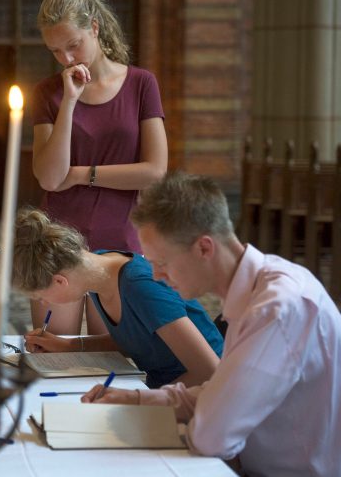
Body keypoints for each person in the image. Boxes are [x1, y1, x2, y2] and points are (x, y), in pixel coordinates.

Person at [81, 172, 341, 477]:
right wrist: (135, 399)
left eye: (161, 262)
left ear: (204, 248)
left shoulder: (277, 308)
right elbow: (220, 394)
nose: (155, 276)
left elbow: (211, 437)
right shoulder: (254, 289)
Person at [30, 0, 167, 336]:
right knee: (53, 351)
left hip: (120, 240)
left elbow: (154, 172)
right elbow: (48, 177)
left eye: (72, 44)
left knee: (109, 361)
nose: (66, 58)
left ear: (94, 27)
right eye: (55, 50)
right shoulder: (49, 92)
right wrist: (69, 103)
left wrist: (79, 175)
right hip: (57, 241)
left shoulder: (141, 84)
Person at [14, 208, 222, 388]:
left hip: (206, 392)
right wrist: (67, 345)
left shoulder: (141, 288)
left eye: (41, 296)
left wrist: (142, 400)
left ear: (60, 281)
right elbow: (137, 339)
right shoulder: (100, 272)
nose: (43, 303)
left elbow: (210, 371)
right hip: (163, 385)